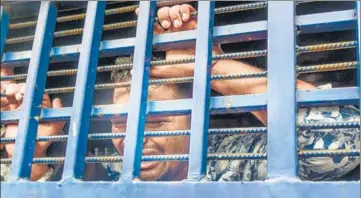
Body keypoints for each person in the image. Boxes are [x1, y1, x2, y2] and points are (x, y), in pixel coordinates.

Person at [1, 4, 359, 182]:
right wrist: (28, 160)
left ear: (197, 114)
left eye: (154, 120)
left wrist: (204, 65)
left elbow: (343, 143)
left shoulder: (236, 156)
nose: (128, 139)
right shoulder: (103, 162)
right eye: (117, 123)